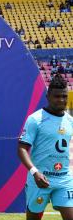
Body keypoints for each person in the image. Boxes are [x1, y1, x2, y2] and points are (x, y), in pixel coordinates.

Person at [18, 74, 73, 220]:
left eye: (64, 96)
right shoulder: (35, 119)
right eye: (57, 96)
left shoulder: (70, 121)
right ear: (48, 96)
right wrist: (35, 172)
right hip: (40, 178)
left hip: (63, 179)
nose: (61, 100)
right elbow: (22, 148)